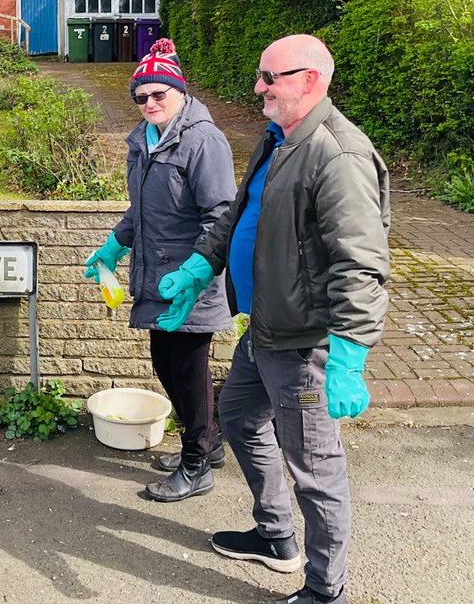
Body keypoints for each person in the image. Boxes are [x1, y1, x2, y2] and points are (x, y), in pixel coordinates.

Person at [156, 34, 390, 603]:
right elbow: (239, 216)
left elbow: (360, 263)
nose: (258, 87)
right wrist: (197, 268)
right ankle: (275, 534)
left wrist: (350, 354)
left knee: (316, 469)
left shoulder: (339, 155)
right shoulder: (277, 139)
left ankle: (325, 588)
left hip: (303, 343)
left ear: (309, 81)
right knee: (236, 416)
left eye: (269, 77)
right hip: (263, 328)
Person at [83, 38, 237, 502]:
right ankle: (206, 445)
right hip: (155, 276)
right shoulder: (143, 142)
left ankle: (196, 465)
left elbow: (221, 215)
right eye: (141, 96)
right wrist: (115, 243)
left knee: (186, 371)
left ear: (179, 92)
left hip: (193, 279)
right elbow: (141, 211)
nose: (149, 103)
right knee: (167, 366)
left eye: (158, 94)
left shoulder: (203, 141)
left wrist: (196, 271)